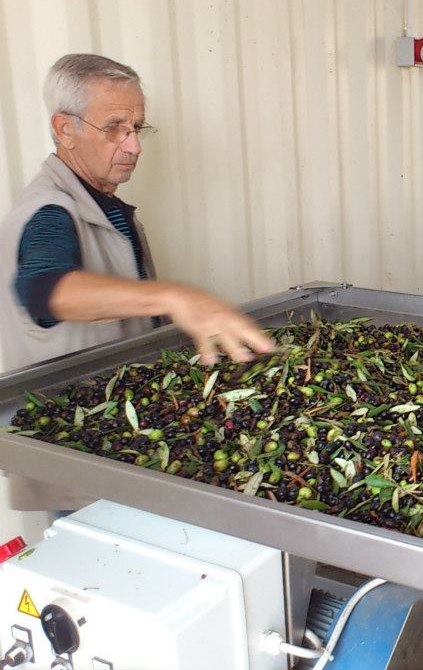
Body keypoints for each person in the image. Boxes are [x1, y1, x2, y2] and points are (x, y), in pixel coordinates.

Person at [0, 53, 275, 510]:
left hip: (121, 443)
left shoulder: (102, 204)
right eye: (114, 128)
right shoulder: (50, 212)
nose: (133, 146)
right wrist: (174, 295)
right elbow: (48, 291)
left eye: (137, 128)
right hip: (78, 452)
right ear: (65, 128)